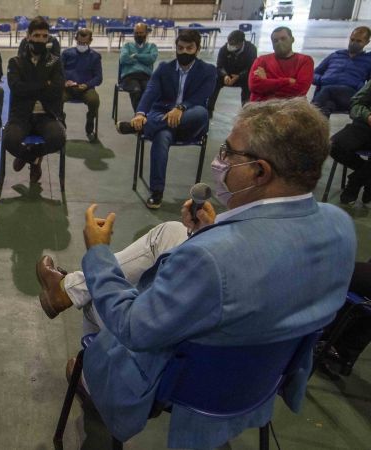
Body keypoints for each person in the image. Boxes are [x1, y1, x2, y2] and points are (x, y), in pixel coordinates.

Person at [37, 98, 356, 449]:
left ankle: (92, 382)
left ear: (259, 171)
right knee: (172, 231)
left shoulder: (213, 257)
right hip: (264, 376)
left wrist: (98, 253)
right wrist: (210, 232)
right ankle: (67, 289)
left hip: (191, 384)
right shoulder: (339, 226)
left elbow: (132, 327)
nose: (221, 161)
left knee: (95, 294)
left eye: (229, 152)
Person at [116, 29, 216, 209]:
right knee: (161, 137)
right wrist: (140, 113)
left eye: (189, 48)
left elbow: (202, 95)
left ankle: (140, 127)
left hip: (190, 121)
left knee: (201, 113)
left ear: (197, 49)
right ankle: (157, 192)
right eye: (180, 48)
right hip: (164, 121)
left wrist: (181, 108)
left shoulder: (208, 70)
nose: (184, 52)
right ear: (176, 48)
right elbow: (151, 91)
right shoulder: (164, 68)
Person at [3, 17, 66, 184]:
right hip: (21, 115)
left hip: (46, 115)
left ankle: (29, 155)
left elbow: (57, 89)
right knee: (9, 140)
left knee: (58, 138)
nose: (40, 39)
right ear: (28, 36)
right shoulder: (16, 62)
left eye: (44, 36)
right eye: (36, 35)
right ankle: (34, 159)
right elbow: (16, 88)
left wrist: (30, 86)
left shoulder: (54, 61)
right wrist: (44, 84)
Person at [311, 26, 371, 117]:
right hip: (327, 92)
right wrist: (321, 79)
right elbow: (313, 74)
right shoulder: (336, 55)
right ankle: (316, 124)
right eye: (352, 39)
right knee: (326, 107)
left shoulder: (368, 60)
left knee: (326, 91)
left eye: (359, 41)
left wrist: (359, 86)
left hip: (350, 94)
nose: (353, 43)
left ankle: (308, 113)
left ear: (367, 42)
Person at [329, 79, 371, 205]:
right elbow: (356, 102)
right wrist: (368, 116)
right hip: (365, 125)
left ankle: (354, 183)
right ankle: (367, 178)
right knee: (334, 146)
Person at [249, 27, 314, 102]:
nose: (279, 43)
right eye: (275, 41)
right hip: (261, 106)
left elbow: (300, 91)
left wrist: (266, 83)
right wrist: (287, 81)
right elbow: (254, 86)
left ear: (292, 39)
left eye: (283, 39)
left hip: (291, 107)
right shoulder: (261, 60)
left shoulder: (305, 61)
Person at [62, 28, 102, 143]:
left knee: (94, 100)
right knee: (56, 99)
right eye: (79, 42)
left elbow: (98, 78)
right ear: (76, 39)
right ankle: (61, 122)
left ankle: (90, 121)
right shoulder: (66, 54)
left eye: (85, 43)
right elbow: (58, 72)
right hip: (68, 88)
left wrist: (87, 85)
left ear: (90, 41)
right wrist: (65, 82)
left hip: (86, 89)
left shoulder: (95, 56)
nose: (82, 45)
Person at [207, 30, 257, 117]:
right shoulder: (224, 49)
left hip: (243, 76)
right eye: (229, 43)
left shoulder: (251, 49)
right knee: (214, 80)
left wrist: (239, 76)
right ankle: (208, 110)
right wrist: (225, 75)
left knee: (249, 82)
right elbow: (219, 66)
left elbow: (251, 67)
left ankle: (247, 111)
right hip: (227, 75)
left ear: (241, 43)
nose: (230, 46)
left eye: (233, 44)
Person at [118, 23, 158, 114]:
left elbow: (151, 59)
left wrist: (136, 56)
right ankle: (139, 115)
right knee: (136, 91)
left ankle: (145, 116)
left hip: (146, 76)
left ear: (146, 33)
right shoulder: (127, 45)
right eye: (136, 33)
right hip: (129, 76)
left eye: (141, 33)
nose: (139, 35)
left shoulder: (152, 46)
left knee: (148, 92)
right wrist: (144, 58)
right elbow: (123, 59)